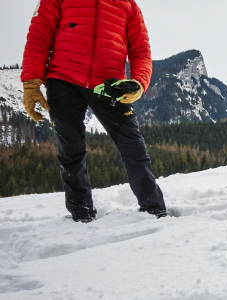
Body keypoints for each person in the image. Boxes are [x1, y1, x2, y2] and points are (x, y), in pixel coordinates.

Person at [21, 0, 166, 222]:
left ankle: (155, 210)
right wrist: (31, 82)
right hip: (63, 80)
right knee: (71, 152)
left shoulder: (128, 5)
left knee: (134, 148)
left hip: (109, 85)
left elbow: (141, 51)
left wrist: (139, 82)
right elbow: (39, 36)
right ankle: (81, 215)